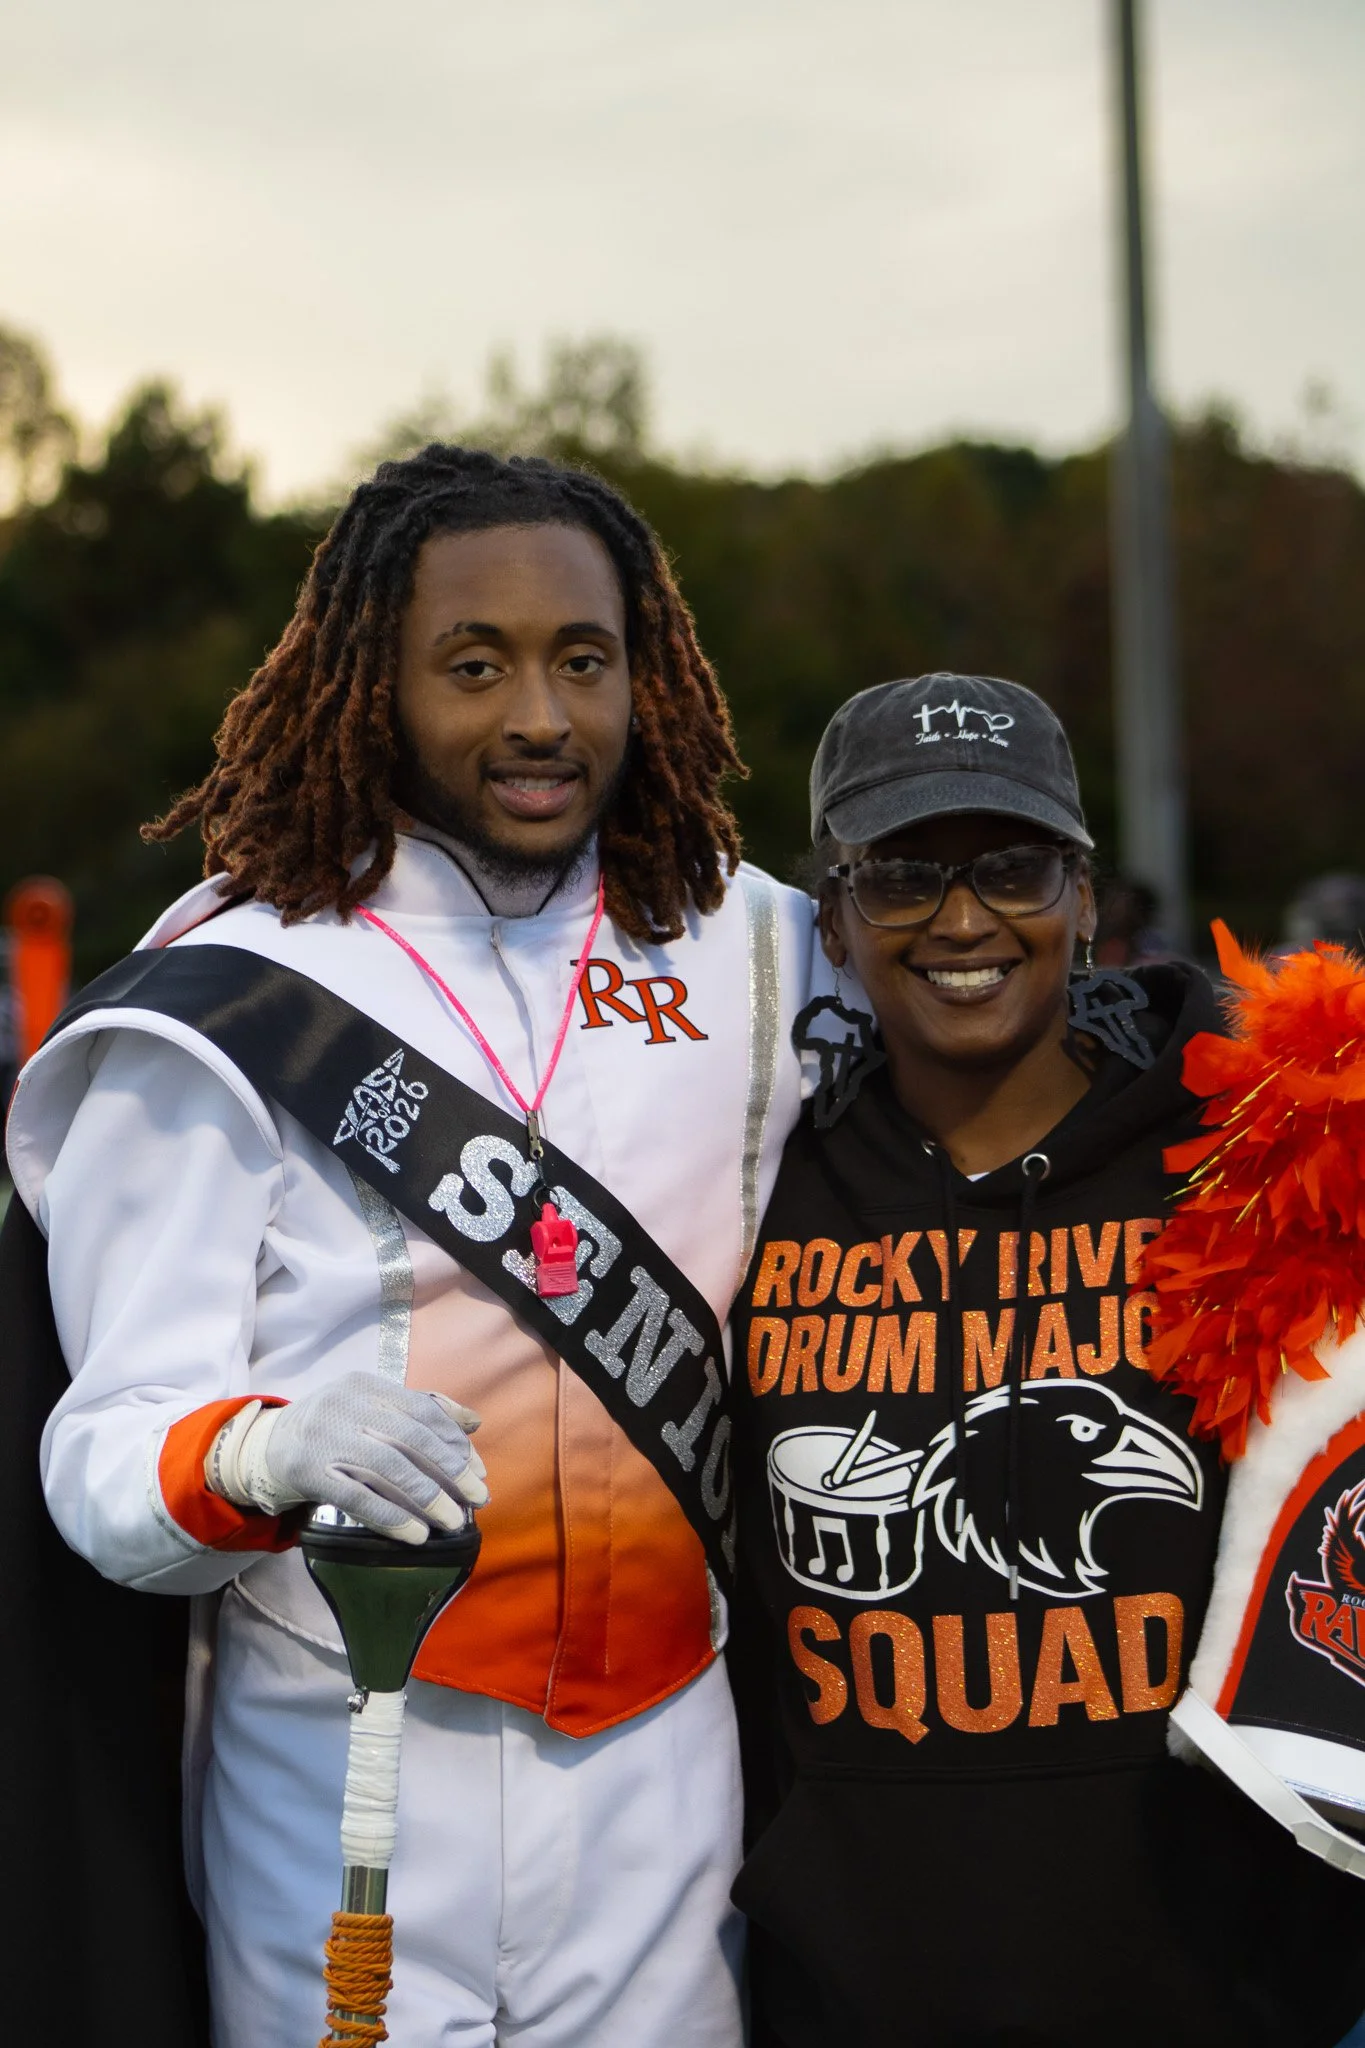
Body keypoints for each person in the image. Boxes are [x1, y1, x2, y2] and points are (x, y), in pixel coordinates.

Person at [3, 445, 825, 2047]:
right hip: (338, 1756)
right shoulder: (226, 996)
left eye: (583, 661)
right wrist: (262, 1452)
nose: (539, 716)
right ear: (371, 681)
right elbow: (100, 1457)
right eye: (475, 664)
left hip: (666, 1760)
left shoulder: (765, 947)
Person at [727, 672, 1365, 2048]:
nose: (963, 920)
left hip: (1222, 1991)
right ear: (831, 914)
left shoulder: (1255, 1162)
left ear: (1082, 896)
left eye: (1012, 867)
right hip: (857, 1994)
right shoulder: (750, 1188)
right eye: (901, 877)